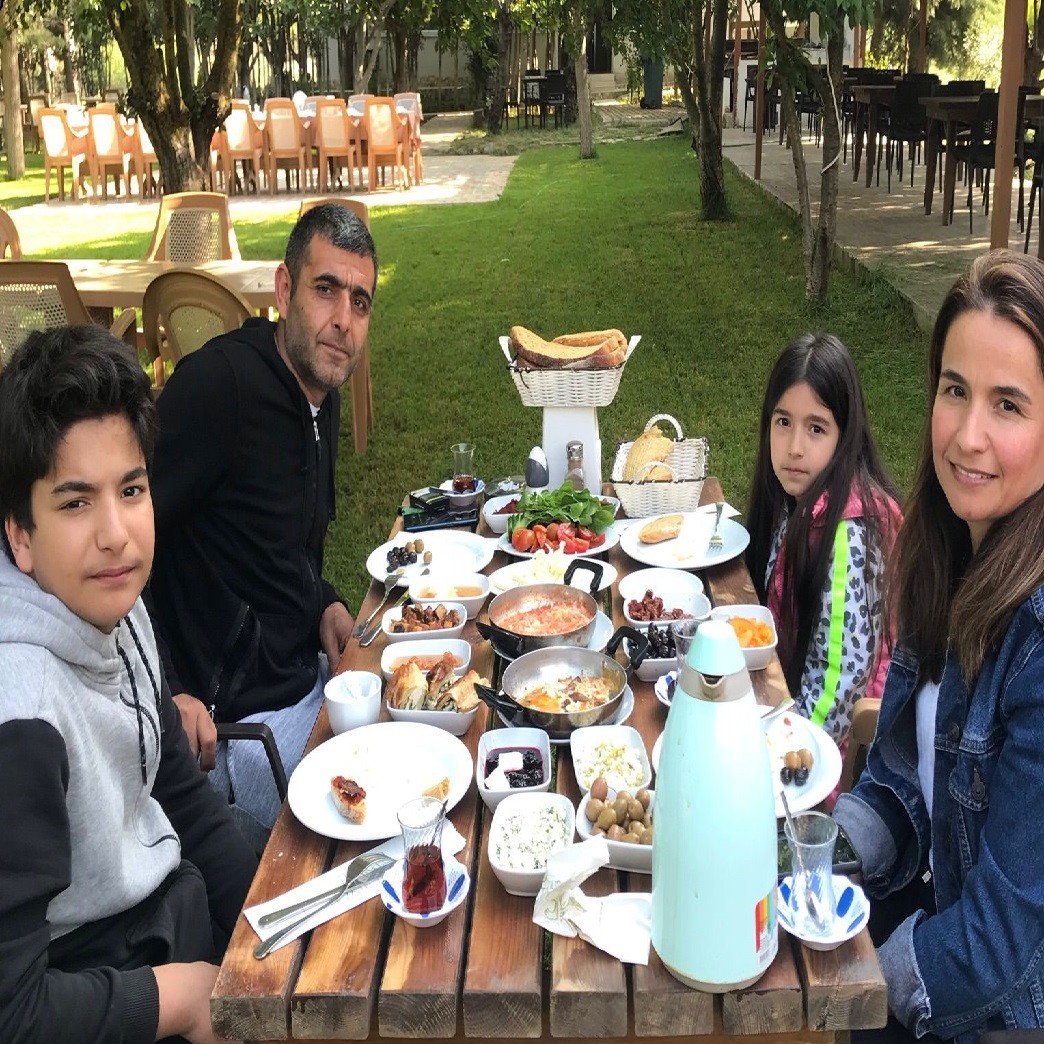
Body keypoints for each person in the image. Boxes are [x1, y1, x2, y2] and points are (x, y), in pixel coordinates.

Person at [0, 325, 256, 1044]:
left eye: (132, 490)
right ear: (20, 535)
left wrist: (273, 928)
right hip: (92, 984)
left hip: (161, 906)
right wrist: (186, 1000)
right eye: (75, 502)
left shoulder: (114, 602)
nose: (116, 534)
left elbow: (180, 790)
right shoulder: (21, 716)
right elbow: (14, 1013)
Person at [835, 251, 1044, 1042]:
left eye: (1008, 405)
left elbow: (997, 943)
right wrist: (812, 855)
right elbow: (902, 775)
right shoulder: (948, 551)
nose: (967, 435)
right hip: (942, 919)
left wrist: (848, 987)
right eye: (955, 391)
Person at [147, 203, 376, 841]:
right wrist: (167, 692)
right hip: (243, 729)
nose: (342, 320)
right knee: (392, 811)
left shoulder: (319, 392)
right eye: (325, 289)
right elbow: (119, 549)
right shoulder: (218, 387)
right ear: (283, 289)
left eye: (359, 302)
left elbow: (275, 546)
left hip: (306, 676)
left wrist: (323, 600)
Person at [746, 333, 902, 748]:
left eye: (816, 428)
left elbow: (838, 689)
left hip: (832, 755)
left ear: (844, 436)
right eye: (783, 422)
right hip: (789, 704)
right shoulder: (800, 502)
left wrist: (781, 752)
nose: (795, 447)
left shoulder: (849, 536)